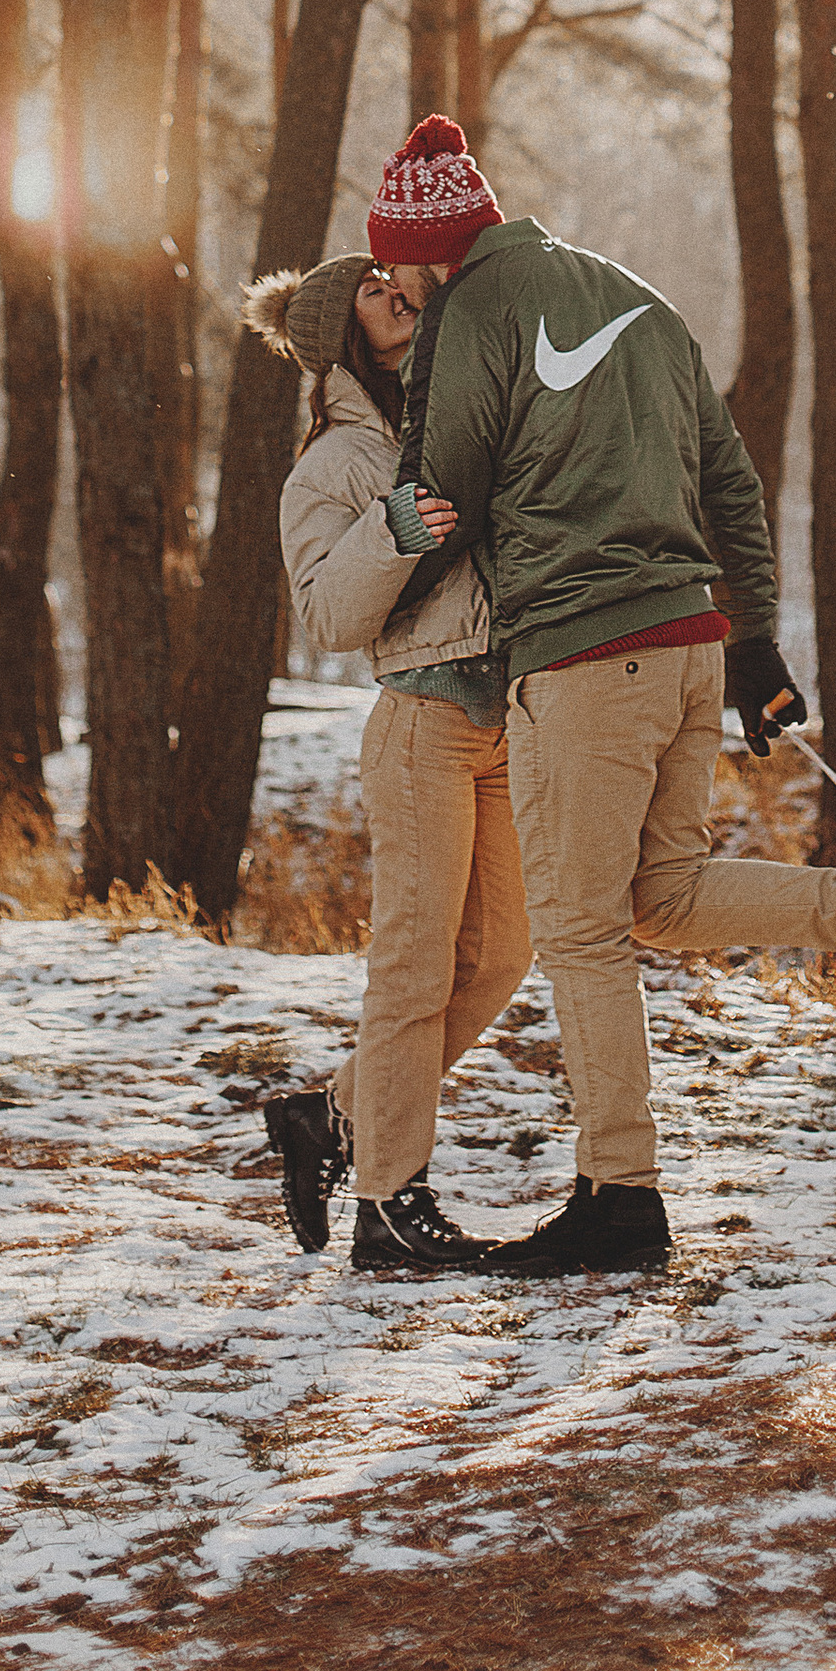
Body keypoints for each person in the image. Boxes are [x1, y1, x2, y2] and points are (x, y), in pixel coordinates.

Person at [365, 113, 836, 1280]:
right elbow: (731, 478)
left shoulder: (474, 309)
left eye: (399, 264)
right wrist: (758, 641)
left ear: (428, 249)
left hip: (581, 659)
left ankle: (619, 1195)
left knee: (578, 929)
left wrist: (402, 467)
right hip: (685, 644)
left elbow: (446, 490)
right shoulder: (636, 296)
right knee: (657, 898)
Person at [248, 251, 529, 1276]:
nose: (396, 290)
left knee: (498, 960)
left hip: (509, 723)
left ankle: (327, 1114)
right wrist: (396, 529)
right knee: (412, 971)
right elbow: (326, 614)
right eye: (370, 288)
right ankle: (390, 1206)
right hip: (420, 725)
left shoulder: (468, 409)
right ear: (340, 334)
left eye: (398, 278)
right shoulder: (332, 466)